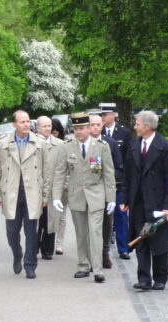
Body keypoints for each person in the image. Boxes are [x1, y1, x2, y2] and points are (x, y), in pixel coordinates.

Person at [121, 110, 168, 291]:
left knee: (160, 241)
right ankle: (144, 279)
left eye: (137, 123)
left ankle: (160, 278)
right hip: (139, 202)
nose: (134, 127)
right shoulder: (133, 145)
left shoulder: (166, 147)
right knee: (141, 239)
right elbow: (128, 176)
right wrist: (125, 199)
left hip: (159, 203)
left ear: (147, 126)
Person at [51, 112, 115, 283]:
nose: (78, 132)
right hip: (76, 195)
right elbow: (59, 173)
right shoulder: (67, 147)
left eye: (81, 128)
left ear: (89, 128)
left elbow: (108, 174)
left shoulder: (102, 146)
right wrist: (56, 196)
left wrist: (112, 198)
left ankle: (98, 269)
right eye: (76, 129)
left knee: (95, 232)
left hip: (96, 195)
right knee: (81, 233)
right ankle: (83, 265)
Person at [0, 110, 50, 279]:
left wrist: (45, 196)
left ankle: (30, 265)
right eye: (22, 122)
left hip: (32, 193)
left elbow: (46, 172)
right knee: (12, 231)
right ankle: (17, 253)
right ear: (14, 124)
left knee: (31, 232)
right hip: (11, 193)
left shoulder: (39, 143)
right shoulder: (4, 143)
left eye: (27, 122)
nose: (26, 125)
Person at [88, 112, 123, 270]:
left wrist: (107, 176)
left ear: (102, 126)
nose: (95, 128)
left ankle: (105, 252)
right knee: (89, 224)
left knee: (107, 223)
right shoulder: (82, 143)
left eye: (98, 125)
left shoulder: (110, 143)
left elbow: (118, 167)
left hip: (105, 189)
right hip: (88, 190)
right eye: (91, 125)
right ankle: (90, 256)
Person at [100, 102, 133, 260]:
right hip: (101, 183)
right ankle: (102, 247)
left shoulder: (124, 133)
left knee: (121, 216)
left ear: (114, 114)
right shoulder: (97, 136)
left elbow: (128, 159)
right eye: (102, 115)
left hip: (119, 182)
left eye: (105, 114)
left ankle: (123, 247)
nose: (103, 117)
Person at [34, 116, 63, 259]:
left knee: (50, 220)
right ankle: (33, 247)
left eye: (49, 126)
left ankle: (47, 249)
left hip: (53, 189)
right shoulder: (32, 142)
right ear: (37, 128)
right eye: (44, 126)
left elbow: (65, 166)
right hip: (36, 189)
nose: (48, 129)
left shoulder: (59, 144)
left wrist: (64, 184)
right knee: (35, 219)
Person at [49, 117, 69, 255]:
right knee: (47, 216)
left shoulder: (66, 144)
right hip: (48, 186)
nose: (52, 135)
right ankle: (46, 242)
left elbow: (68, 167)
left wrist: (66, 183)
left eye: (55, 133)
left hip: (63, 187)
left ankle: (59, 243)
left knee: (61, 216)